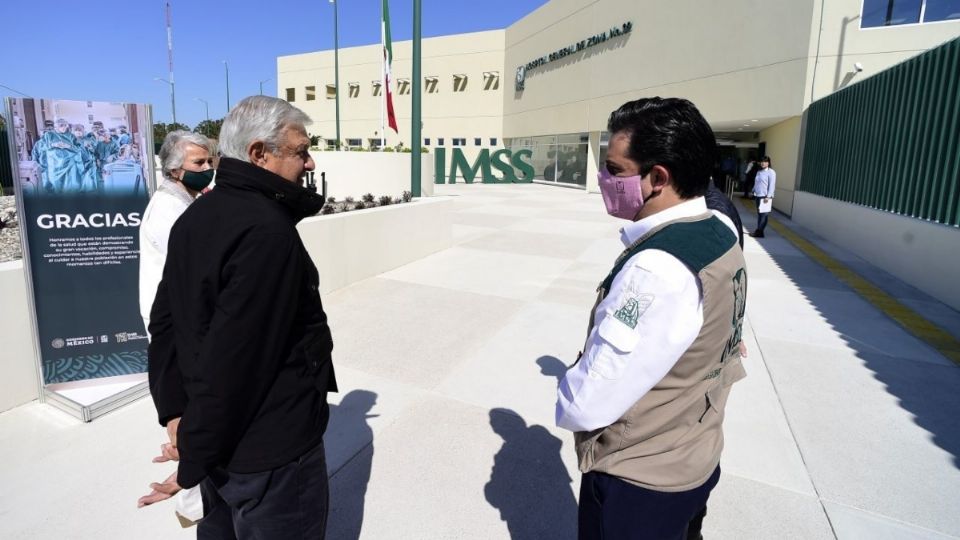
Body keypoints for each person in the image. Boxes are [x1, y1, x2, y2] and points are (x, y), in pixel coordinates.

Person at [139, 96, 337, 538]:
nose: (310, 162)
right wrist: (193, 459)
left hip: (219, 445)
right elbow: (235, 361)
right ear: (259, 153)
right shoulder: (267, 232)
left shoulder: (198, 216)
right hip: (270, 455)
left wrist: (176, 416)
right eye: (301, 150)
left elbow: (165, 325)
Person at [556, 97, 747, 540]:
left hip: (638, 483)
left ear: (657, 178)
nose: (604, 179)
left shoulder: (655, 269)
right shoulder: (720, 228)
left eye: (614, 169)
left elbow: (585, 403)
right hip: (697, 455)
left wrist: (567, 381)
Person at [750, 155, 776, 238]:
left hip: (765, 197)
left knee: (764, 215)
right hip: (758, 195)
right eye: (761, 161)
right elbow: (756, 183)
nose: (763, 163)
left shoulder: (771, 172)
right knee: (760, 214)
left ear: (768, 163)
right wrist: (753, 190)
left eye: (765, 162)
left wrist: (768, 196)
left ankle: (759, 232)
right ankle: (759, 231)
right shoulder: (759, 172)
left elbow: (772, 185)